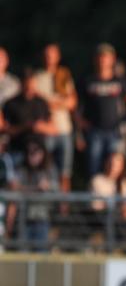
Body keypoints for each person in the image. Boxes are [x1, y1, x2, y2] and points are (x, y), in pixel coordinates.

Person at [79, 43, 126, 177]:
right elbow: (76, 106)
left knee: (117, 171)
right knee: (94, 169)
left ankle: (118, 197)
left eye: (106, 57)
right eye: (100, 56)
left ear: (112, 59)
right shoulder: (88, 81)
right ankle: (96, 196)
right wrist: (81, 125)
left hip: (116, 132)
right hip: (94, 132)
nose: (103, 60)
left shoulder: (120, 81)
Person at [34, 43, 77, 192]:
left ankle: (63, 211)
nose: (49, 58)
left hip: (64, 129)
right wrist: (59, 102)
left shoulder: (64, 75)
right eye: (47, 55)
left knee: (65, 174)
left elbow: (72, 102)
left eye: (52, 55)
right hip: (46, 131)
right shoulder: (37, 77)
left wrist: (50, 102)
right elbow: (37, 102)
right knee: (44, 171)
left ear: (58, 57)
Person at [5, 141, 58, 249]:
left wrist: (47, 187)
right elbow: (14, 187)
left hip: (43, 220)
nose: (32, 156)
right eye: (29, 152)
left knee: (41, 257)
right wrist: (36, 188)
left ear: (43, 153)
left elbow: (57, 190)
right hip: (24, 220)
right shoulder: (21, 169)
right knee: (22, 257)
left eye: (35, 152)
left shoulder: (50, 170)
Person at [3, 70, 56, 159]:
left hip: (40, 152)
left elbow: (54, 128)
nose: (29, 88)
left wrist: (40, 126)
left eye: (32, 85)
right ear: (21, 85)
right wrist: (25, 127)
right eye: (27, 85)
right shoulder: (10, 104)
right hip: (18, 151)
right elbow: (6, 130)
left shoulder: (41, 102)